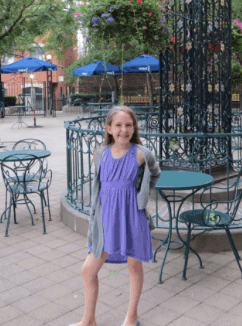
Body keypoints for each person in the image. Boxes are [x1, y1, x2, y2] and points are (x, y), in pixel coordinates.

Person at [70, 106, 162, 326]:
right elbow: (99, 188)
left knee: (134, 267)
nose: (124, 130)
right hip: (106, 219)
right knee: (88, 270)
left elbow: (155, 172)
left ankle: (132, 317)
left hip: (132, 217)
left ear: (134, 127)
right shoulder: (100, 154)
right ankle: (88, 320)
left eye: (128, 125)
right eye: (118, 125)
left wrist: (142, 195)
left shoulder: (141, 153)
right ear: (109, 128)